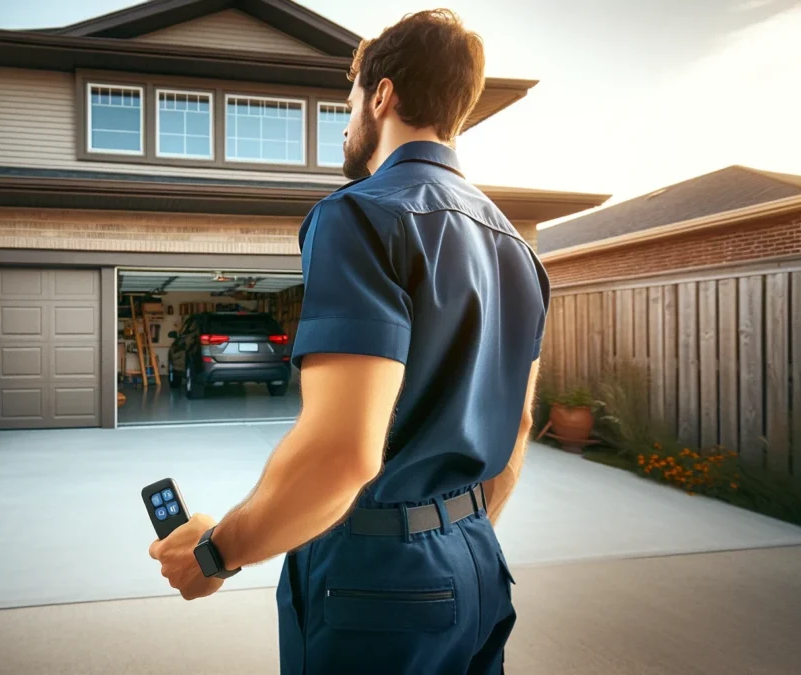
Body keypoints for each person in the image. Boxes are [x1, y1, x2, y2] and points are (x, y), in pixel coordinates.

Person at [148, 8, 548, 674]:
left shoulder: (358, 214)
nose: (344, 121)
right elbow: (518, 430)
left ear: (382, 95)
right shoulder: (517, 250)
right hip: (479, 565)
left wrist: (213, 552)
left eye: (349, 101)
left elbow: (340, 453)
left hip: (374, 584)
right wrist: (452, 538)